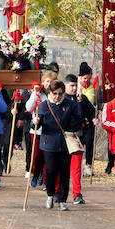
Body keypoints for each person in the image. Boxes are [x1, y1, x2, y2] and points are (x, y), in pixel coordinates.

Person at [37, 79, 83, 210]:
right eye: (55, 93)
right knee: (51, 170)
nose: (57, 96)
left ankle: (63, 200)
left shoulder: (69, 104)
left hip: (65, 143)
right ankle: (50, 195)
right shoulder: (43, 105)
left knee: (64, 172)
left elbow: (79, 115)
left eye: (60, 94)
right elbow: (36, 124)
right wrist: (35, 121)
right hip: (49, 143)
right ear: (49, 92)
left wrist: (79, 100)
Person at [63, 74, 94, 205]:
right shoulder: (60, 98)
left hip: (77, 136)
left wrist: (93, 118)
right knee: (62, 167)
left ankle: (77, 193)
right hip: (62, 136)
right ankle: (57, 191)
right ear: (65, 85)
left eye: (76, 85)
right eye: (72, 86)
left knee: (76, 168)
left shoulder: (82, 99)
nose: (74, 88)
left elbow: (89, 112)